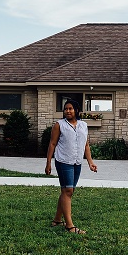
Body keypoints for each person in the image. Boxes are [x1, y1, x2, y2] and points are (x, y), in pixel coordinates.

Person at [45, 99, 98, 235]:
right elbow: (52, 144)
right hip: (63, 161)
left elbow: (85, 145)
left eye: (70, 109)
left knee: (68, 191)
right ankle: (69, 226)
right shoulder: (59, 125)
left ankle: (57, 220)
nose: (68, 111)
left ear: (76, 110)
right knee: (68, 190)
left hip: (77, 162)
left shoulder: (83, 125)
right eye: (66, 109)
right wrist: (48, 163)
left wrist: (90, 162)